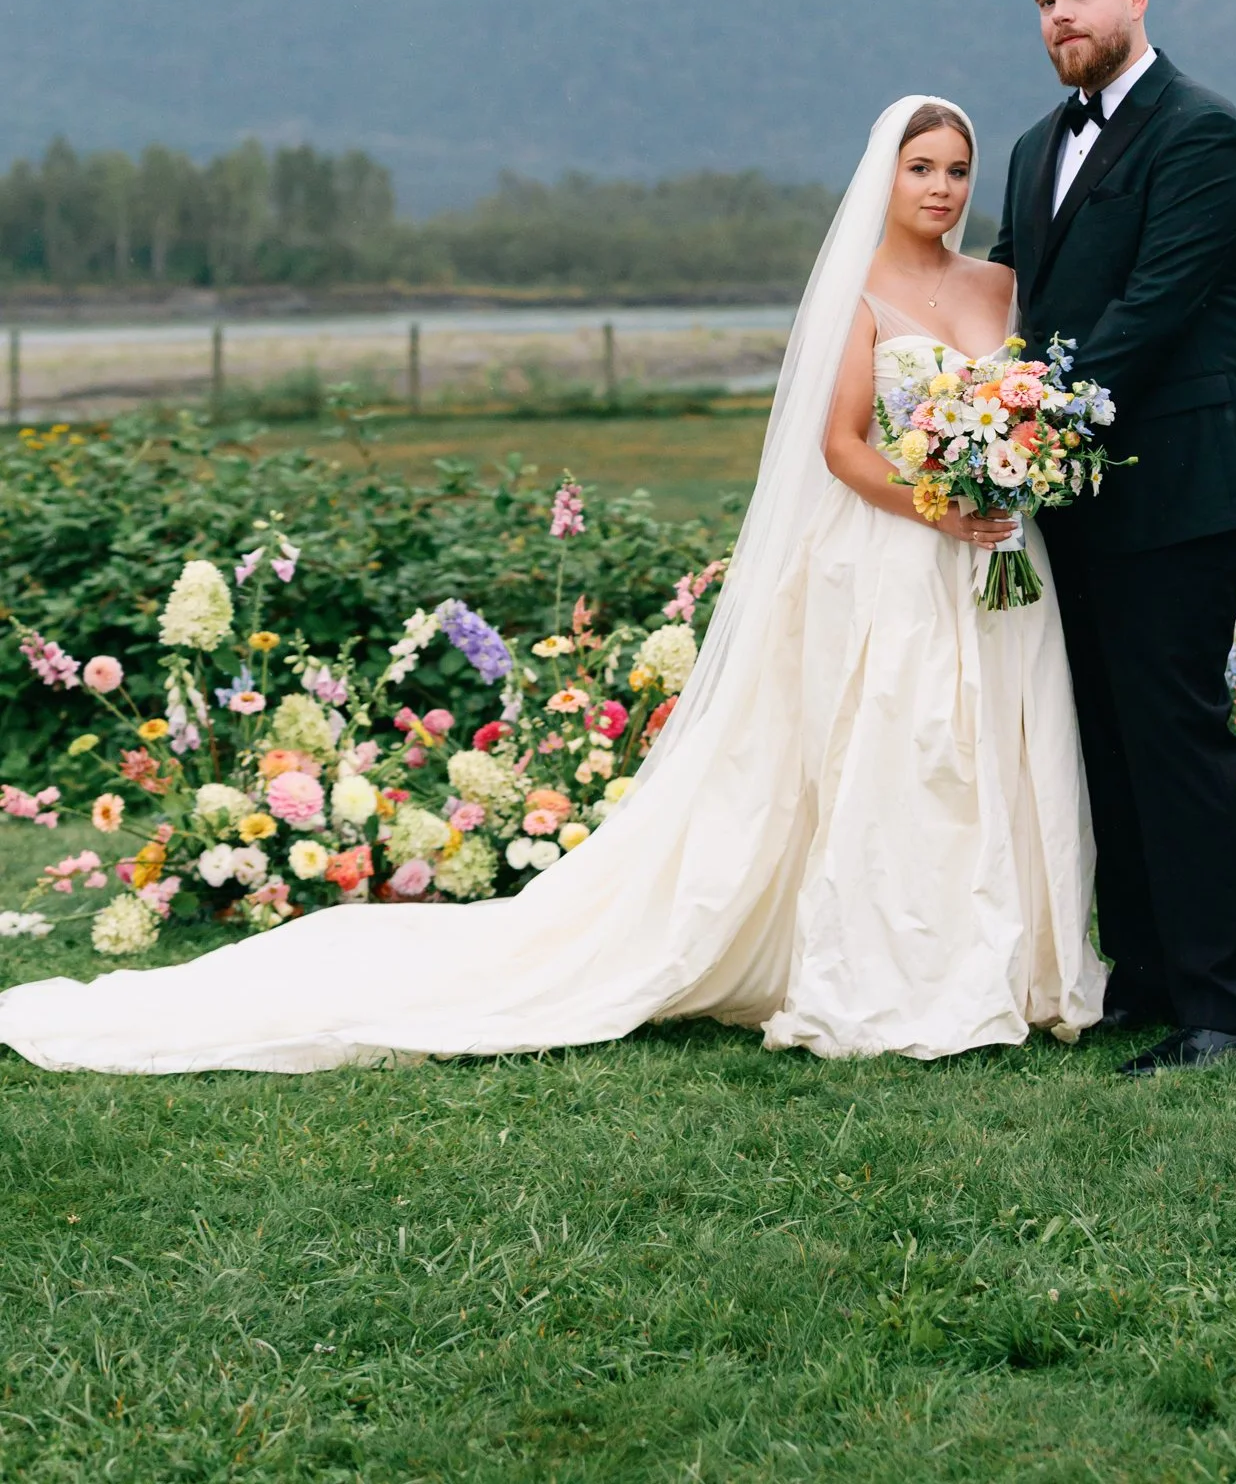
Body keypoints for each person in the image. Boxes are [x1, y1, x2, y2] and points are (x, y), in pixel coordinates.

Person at [0, 98, 1106, 1074]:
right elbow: (840, 443)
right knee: (899, 753)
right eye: (923, 167)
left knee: (989, 749)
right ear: (887, 176)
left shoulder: (1002, 284)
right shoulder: (858, 293)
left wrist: (1014, 465)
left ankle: (1006, 964)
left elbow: (1024, 397)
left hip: (999, 559)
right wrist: (937, 507)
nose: (943, 188)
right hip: (900, 552)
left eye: (958, 170)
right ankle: (900, 974)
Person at [991, 0, 1236, 1077]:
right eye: (1042, 0)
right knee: (1105, 736)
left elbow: (1155, 308)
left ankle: (1225, 1008)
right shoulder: (1031, 147)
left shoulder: (1203, 130)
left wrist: (1026, 418)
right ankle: (1149, 976)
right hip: (1074, 484)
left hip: (1184, 479)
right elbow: (1012, 292)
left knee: (1173, 731)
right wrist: (945, 390)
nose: (1060, 14)